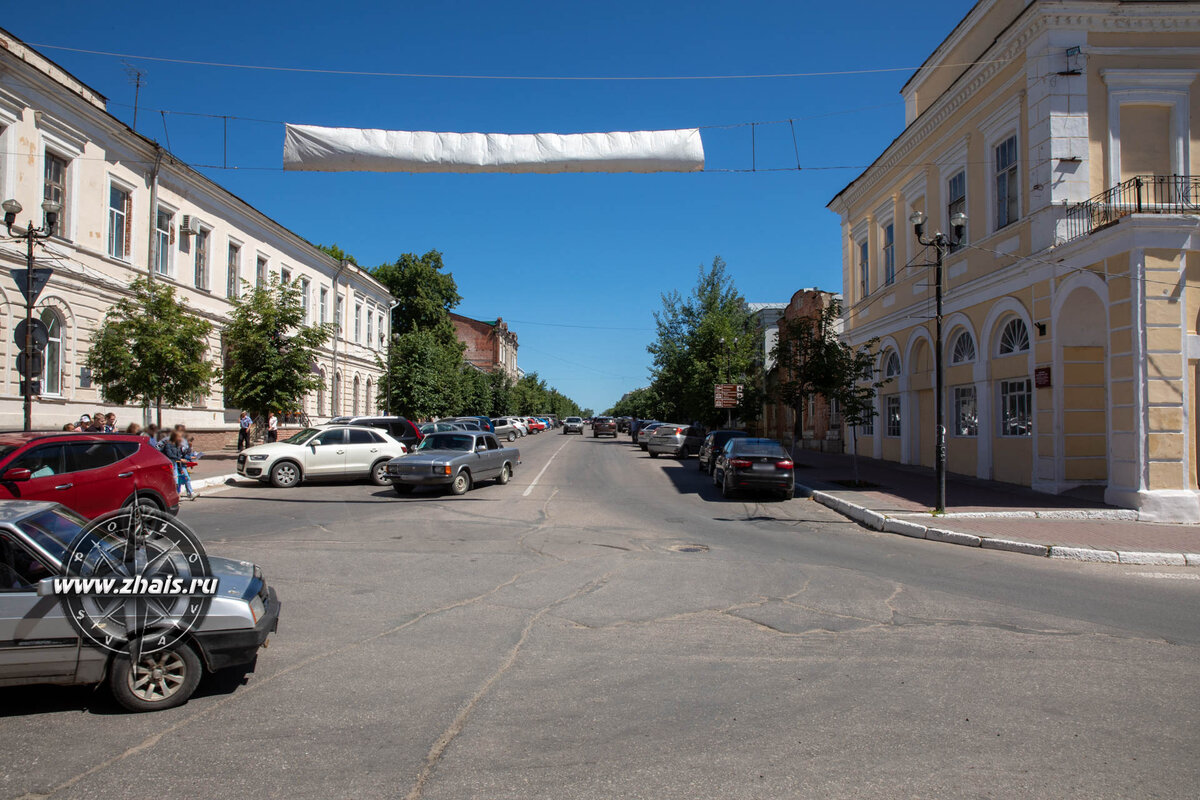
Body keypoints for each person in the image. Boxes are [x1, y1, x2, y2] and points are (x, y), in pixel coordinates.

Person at [162, 431, 197, 500]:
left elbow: (181, 455)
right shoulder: (168, 444)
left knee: (182, 478)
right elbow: (170, 455)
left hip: (177, 464)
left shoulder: (178, 445)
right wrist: (180, 459)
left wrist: (188, 458)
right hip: (170, 464)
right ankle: (176, 495)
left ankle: (185, 493)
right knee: (175, 480)